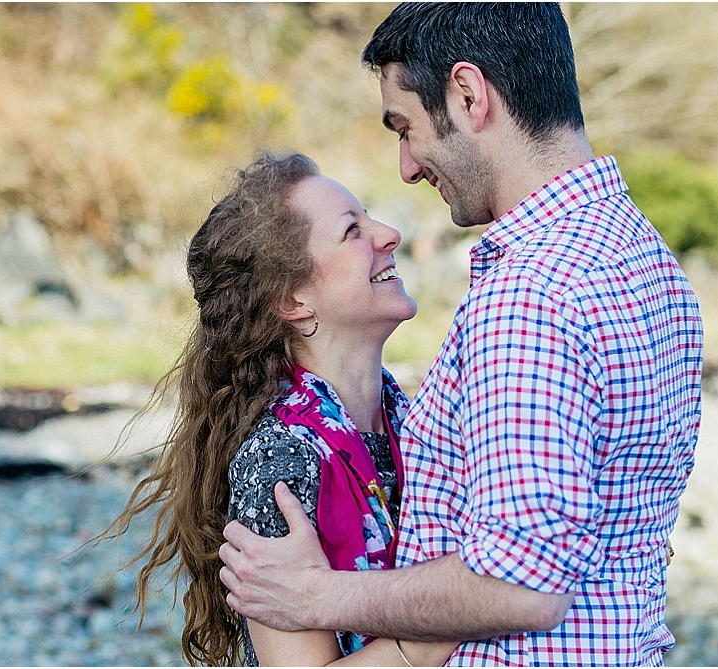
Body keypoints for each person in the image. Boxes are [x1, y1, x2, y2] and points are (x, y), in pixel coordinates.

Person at [218, 4, 703, 665]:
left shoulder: (531, 294)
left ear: (470, 95)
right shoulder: (641, 255)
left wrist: (316, 595)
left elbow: (521, 587)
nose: (409, 167)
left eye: (407, 127)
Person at [106, 152, 456, 666]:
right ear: (293, 299)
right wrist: (445, 627)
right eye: (352, 231)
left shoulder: (420, 421)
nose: (388, 235)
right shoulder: (281, 462)